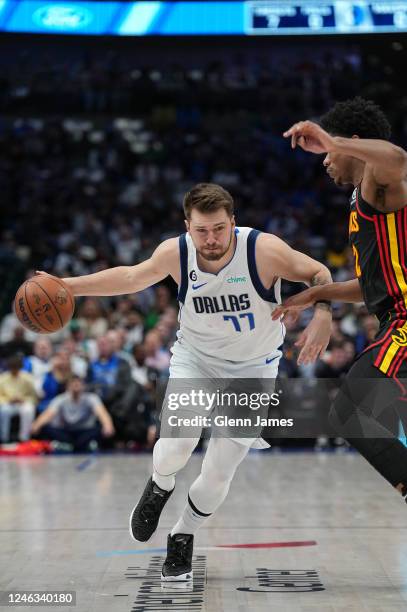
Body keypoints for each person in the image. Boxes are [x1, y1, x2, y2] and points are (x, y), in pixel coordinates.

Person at [36, 182, 333, 581]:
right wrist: (66, 286)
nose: (211, 240)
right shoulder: (175, 252)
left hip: (253, 369)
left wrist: (324, 315)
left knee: (218, 471)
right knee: (175, 448)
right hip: (197, 361)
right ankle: (159, 486)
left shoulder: (263, 250)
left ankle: (183, 534)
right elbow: (130, 277)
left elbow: (318, 271)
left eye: (219, 229)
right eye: (201, 231)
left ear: (233, 222)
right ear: (187, 226)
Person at [273, 97, 407, 499]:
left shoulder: (378, 181)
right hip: (392, 317)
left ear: (351, 143)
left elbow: (398, 156)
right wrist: (315, 295)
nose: (325, 161)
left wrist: (331, 140)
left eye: (328, 153)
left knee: (352, 410)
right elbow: (371, 287)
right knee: (363, 414)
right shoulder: (360, 201)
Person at [31, 375, 115, 452]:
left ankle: (80, 445)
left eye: (78, 383)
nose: (76, 385)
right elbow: (49, 414)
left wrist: (108, 425)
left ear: (84, 386)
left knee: (100, 429)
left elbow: (102, 413)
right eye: (73, 383)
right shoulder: (61, 399)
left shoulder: (91, 398)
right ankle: (69, 445)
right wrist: (36, 425)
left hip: (85, 431)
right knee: (45, 429)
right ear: (67, 386)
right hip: (66, 431)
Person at [0, 354, 37, 443]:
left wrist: (23, 400)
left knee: (28, 410)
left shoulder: (28, 378)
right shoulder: (2, 378)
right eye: (13, 368)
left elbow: (33, 396)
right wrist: (8, 400)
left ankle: (24, 438)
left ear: (20, 367)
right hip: (8, 403)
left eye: (16, 368)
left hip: (24, 403)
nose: (14, 370)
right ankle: (4, 438)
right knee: (3, 411)